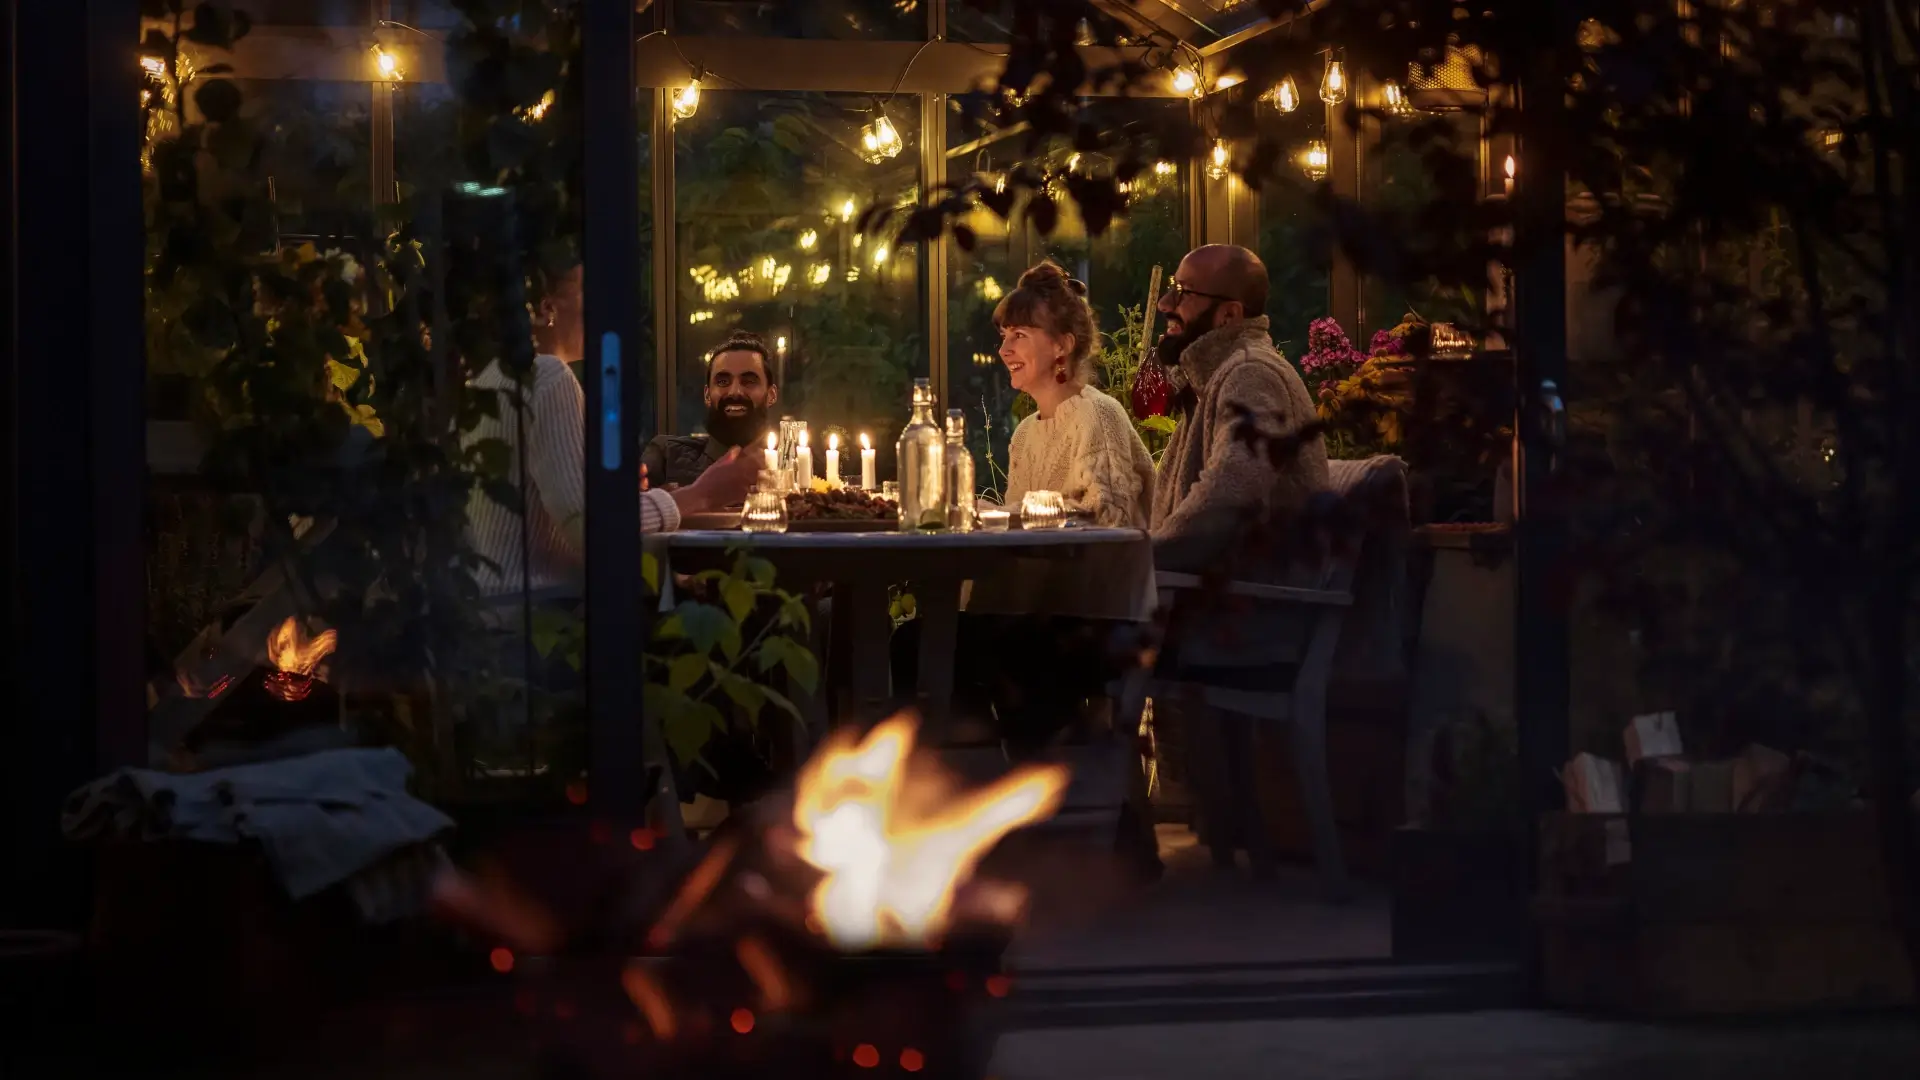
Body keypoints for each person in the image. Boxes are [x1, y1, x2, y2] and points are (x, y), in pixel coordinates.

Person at [1148, 244, 1331, 875]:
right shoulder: (1221, 377)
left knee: (1067, 650)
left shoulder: (1252, 374)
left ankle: (1091, 845)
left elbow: (1229, 494)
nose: (1168, 305)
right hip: (1227, 605)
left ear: (1227, 315)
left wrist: (1146, 561)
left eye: (1183, 293)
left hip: (1252, 620)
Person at [463, 265, 755, 591]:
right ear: (547, 308)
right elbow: (592, 531)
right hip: (546, 628)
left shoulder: (488, 381)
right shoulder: (547, 377)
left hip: (494, 618)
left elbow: (562, 529)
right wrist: (703, 494)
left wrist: (622, 498)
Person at [996, 261, 1156, 528]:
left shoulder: (1099, 414)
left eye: (1019, 335)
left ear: (1062, 345)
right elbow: (1017, 533)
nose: (1004, 350)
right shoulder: (1024, 434)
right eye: (1004, 335)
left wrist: (1006, 516)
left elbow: (1111, 519)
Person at [641, 331, 781, 490]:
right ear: (707, 395)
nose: (735, 392)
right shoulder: (666, 455)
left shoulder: (796, 460)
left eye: (749, 381)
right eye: (722, 381)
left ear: (771, 395)